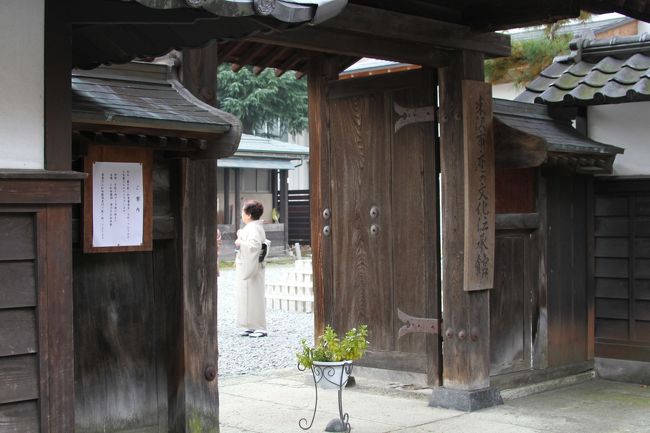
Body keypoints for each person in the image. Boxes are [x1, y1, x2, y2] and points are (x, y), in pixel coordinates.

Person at [235, 200, 270, 338]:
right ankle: (250, 325)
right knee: (247, 296)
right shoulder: (252, 227)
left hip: (253, 267)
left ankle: (260, 327)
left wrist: (239, 242)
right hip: (250, 265)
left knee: (255, 296)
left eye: (243, 212)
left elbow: (254, 246)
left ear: (249, 215)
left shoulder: (253, 228)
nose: (242, 215)